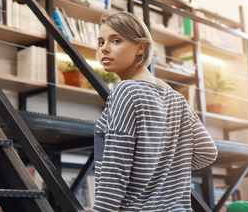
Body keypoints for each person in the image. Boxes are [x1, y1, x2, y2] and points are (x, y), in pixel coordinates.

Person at [93, 12, 218, 212]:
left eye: (116, 40)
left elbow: (114, 171)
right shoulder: (175, 97)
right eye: (101, 42)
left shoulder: (126, 90)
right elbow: (207, 152)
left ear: (140, 46)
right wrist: (166, 169)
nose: (104, 48)